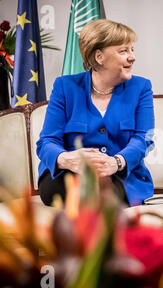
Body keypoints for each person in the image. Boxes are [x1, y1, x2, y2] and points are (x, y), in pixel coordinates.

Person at [37, 19, 154, 207]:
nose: (132, 57)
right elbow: (47, 142)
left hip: (120, 177)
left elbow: (143, 140)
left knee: (105, 190)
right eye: (124, 50)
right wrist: (68, 159)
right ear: (99, 57)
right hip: (68, 177)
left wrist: (115, 162)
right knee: (73, 188)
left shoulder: (141, 87)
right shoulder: (64, 87)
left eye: (132, 50)